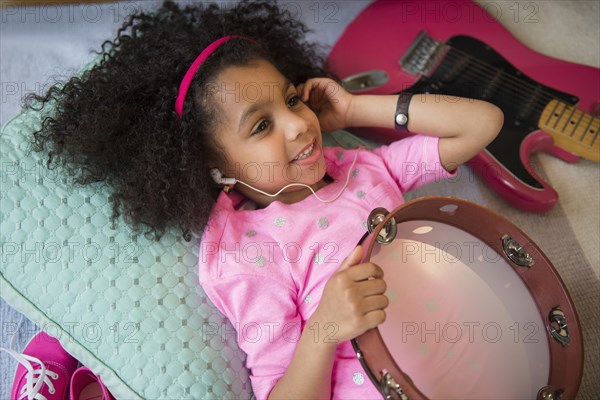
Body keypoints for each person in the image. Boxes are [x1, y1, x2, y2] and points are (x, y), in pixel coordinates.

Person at [26, 1, 503, 399]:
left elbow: (482, 124)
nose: (297, 125)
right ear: (218, 170)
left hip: (479, 362)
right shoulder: (247, 251)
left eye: (292, 100)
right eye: (260, 126)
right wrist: (324, 329)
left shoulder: (363, 168)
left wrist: (357, 108)